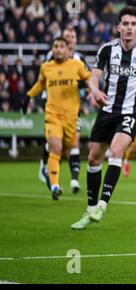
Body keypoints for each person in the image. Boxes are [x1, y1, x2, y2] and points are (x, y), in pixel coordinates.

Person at [71, 6, 136, 230]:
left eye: (133, 24)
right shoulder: (106, 50)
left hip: (131, 112)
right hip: (107, 111)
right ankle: (91, 208)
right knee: (93, 158)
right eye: (125, 24)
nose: (129, 28)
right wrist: (94, 90)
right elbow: (93, 78)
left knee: (115, 150)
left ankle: (103, 203)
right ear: (118, 27)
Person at [22, 36, 91, 200]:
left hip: (71, 118)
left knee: (68, 149)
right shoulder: (46, 67)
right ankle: (55, 185)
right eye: (55, 46)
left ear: (68, 50)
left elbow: (90, 79)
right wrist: (28, 97)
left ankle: (48, 171)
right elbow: (40, 84)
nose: (58, 49)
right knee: (56, 148)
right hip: (52, 116)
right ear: (52, 49)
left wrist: (88, 86)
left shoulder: (77, 65)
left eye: (61, 46)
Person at [38, 26, 89, 194]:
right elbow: (45, 80)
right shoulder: (53, 56)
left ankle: (73, 179)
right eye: (67, 36)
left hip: (73, 107)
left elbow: (88, 78)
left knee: (73, 142)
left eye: (73, 36)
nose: (70, 39)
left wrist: (90, 90)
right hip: (53, 105)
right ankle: (46, 167)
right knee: (56, 145)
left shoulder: (79, 58)